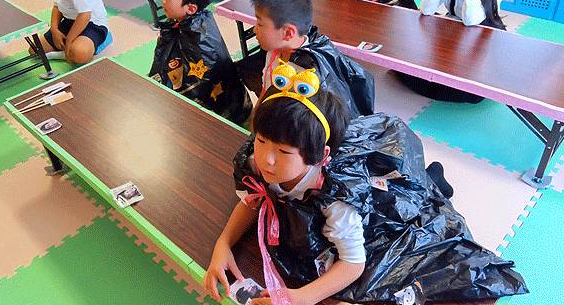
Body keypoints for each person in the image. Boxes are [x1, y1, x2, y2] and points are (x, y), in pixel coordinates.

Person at [204, 63, 528, 304]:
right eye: (261, 141)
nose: (267, 160)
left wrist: (302, 297)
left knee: (412, 206)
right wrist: (223, 244)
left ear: (319, 156)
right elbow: (254, 200)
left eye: (284, 152)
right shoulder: (260, 160)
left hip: (376, 195)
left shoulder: (337, 202)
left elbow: (354, 263)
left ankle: (434, 179)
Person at [248, 0, 374, 119]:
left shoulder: (308, 75)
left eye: (260, 24)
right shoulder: (274, 50)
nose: (254, 30)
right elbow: (266, 89)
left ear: (288, 33)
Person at [148, 0, 252, 126]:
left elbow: (201, 84)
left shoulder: (200, 37)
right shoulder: (181, 25)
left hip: (227, 115)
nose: (162, 0)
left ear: (191, 9)